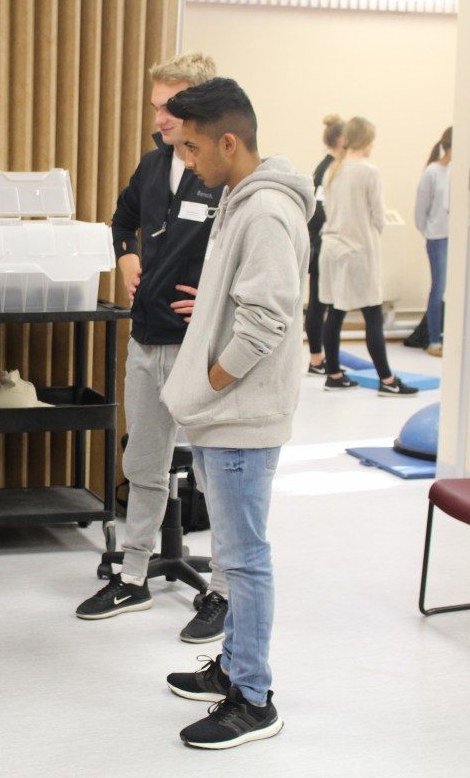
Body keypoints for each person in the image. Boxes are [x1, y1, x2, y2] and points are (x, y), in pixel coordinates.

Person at [159, 77, 313, 749]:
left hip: (242, 413)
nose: (187, 161)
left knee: (244, 558)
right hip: (230, 412)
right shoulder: (238, 200)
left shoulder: (266, 211)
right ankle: (233, 667)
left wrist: (216, 380)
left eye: (193, 148)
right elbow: (245, 301)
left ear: (229, 141)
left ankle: (253, 698)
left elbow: (266, 322)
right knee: (233, 551)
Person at [73, 52, 230, 644]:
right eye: (156, 106)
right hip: (147, 337)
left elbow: (252, 257)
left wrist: (216, 302)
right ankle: (134, 574)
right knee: (143, 464)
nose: (159, 118)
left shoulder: (223, 171)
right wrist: (127, 256)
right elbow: (121, 221)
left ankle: (224, 592)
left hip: (202, 347)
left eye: (169, 106)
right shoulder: (152, 164)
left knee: (217, 473)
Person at [318, 116, 418, 396]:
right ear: (365, 140)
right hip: (358, 250)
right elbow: (378, 215)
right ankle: (387, 380)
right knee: (373, 314)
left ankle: (334, 374)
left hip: (332, 248)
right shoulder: (368, 172)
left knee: (335, 313)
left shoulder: (333, 170)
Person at [306, 114, 346, 375]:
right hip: (322, 243)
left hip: (319, 241)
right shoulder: (330, 169)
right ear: (342, 140)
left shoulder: (327, 166)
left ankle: (317, 358)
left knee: (320, 302)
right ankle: (317, 359)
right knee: (321, 303)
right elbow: (319, 210)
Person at [415, 126, 452, 357]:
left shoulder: (458, 171)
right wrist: (428, 232)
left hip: (455, 238)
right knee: (438, 288)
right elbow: (421, 210)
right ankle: (434, 340)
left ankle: (450, 337)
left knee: (452, 289)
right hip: (437, 237)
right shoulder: (432, 172)